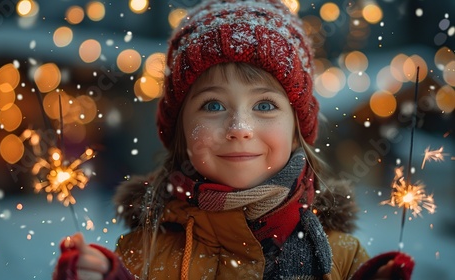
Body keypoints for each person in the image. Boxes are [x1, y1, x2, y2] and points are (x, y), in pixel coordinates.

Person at [53, 0, 415, 279]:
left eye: (264, 105)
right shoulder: (142, 254)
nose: (239, 127)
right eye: (213, 104)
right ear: (180, 131)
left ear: (296, 131)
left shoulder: (342, 258)